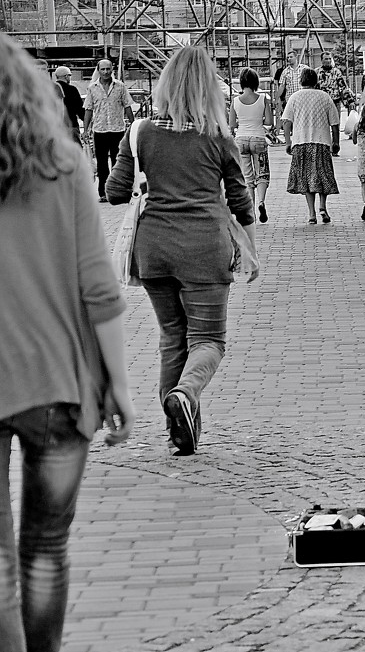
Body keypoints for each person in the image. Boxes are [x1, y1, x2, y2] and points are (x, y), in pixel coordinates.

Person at [0, 34, 135, 652]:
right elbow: (99, 289)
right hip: (61, 384)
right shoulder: (64, 166)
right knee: (46, 551)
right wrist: (120, 386)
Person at [106, 46, 257, 456]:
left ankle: (181, 436)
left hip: (154, 250)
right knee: (208, 339)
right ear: (209, 87)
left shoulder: (140, 132)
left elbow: (115, 192)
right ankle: (186, 396)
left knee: (172, 338)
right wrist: (250, 249)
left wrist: (142, 175)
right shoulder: (218, 135)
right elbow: (241, 201)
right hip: (205, 248)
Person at [281, 66, 340, 224]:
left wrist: (288, 142)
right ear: (316, 81)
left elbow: (286, 121)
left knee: (306, 179)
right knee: (322, 175)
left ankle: (311, 213)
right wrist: (336, 142)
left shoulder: (295, 97)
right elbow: (334, 122)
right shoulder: (325, 97)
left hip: (301, 142)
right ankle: (323, 206)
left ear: (301, 81)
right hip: (321, 142)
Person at [84, 58, 134, 202]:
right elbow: (88, 109)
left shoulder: (120, 86)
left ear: (112, 69)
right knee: (102, 164)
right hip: (100, 130)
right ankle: (103, 193)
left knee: (118, 161)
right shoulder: (92, 88)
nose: (106, 72)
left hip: (117, 129)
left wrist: (133, 125)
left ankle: (120, 191)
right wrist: (86, 129)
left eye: (108, 69)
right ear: (98, 70)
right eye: (103, 69)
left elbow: (127, 106)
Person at [229, 67, 274, 223]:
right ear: (256, 82)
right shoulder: (263, 99)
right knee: (262, 174)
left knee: (248, 178)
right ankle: (261, 202)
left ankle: (251, 213)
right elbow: (269, 122)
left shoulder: (235, 101)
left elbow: (231, 124)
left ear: (241, 82)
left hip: (241, 140)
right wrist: (258, 120)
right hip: (258, 139)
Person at [53, 65, 84, 144]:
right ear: (66, 76)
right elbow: (79, 108)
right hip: (71, 126)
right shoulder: (72, 89)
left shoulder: (49, 88)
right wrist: (86, 120)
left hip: (54, 127)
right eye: (70, 75)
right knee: (75, 150)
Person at [276, 50, 305, 118]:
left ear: (296, 57)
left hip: (302, 98)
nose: (289, 59)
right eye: (288, 57)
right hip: (290, 99)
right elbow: (282, 86)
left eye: (291, 57)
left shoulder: (304, 69)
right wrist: (277, 98)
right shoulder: (285, 71)